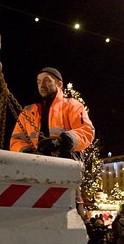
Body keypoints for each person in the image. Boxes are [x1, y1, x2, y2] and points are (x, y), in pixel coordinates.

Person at [9, 67, 95, 214]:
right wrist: (26, 151)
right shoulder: (28, 111)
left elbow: (86, 132)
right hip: (35, 171)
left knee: (71, 212)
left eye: (47, 81)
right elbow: (16, 140)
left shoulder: (72, 106)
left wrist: (62, 141)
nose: (41, 85)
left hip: (66, 169)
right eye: (38, 82)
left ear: (59, 84)